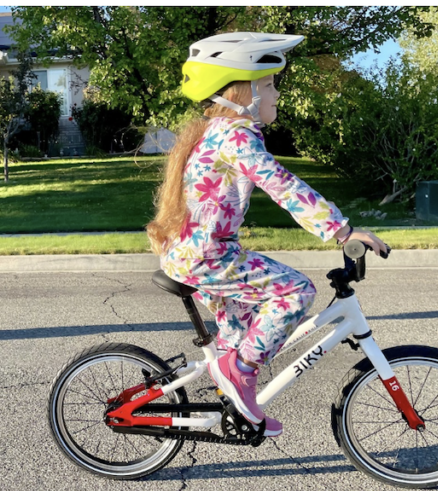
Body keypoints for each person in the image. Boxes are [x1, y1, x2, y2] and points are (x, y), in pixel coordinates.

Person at [146, 32, 387, 436]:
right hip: (208, 257)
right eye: (269, 83)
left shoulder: (217, 131)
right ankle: (239, 371)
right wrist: (341, 230)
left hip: (196, 254)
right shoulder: (236, 136)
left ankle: (236, 396)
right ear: (241, 91)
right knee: (297, 292)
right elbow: (281, 184)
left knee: (240, 334)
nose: (276, 93)